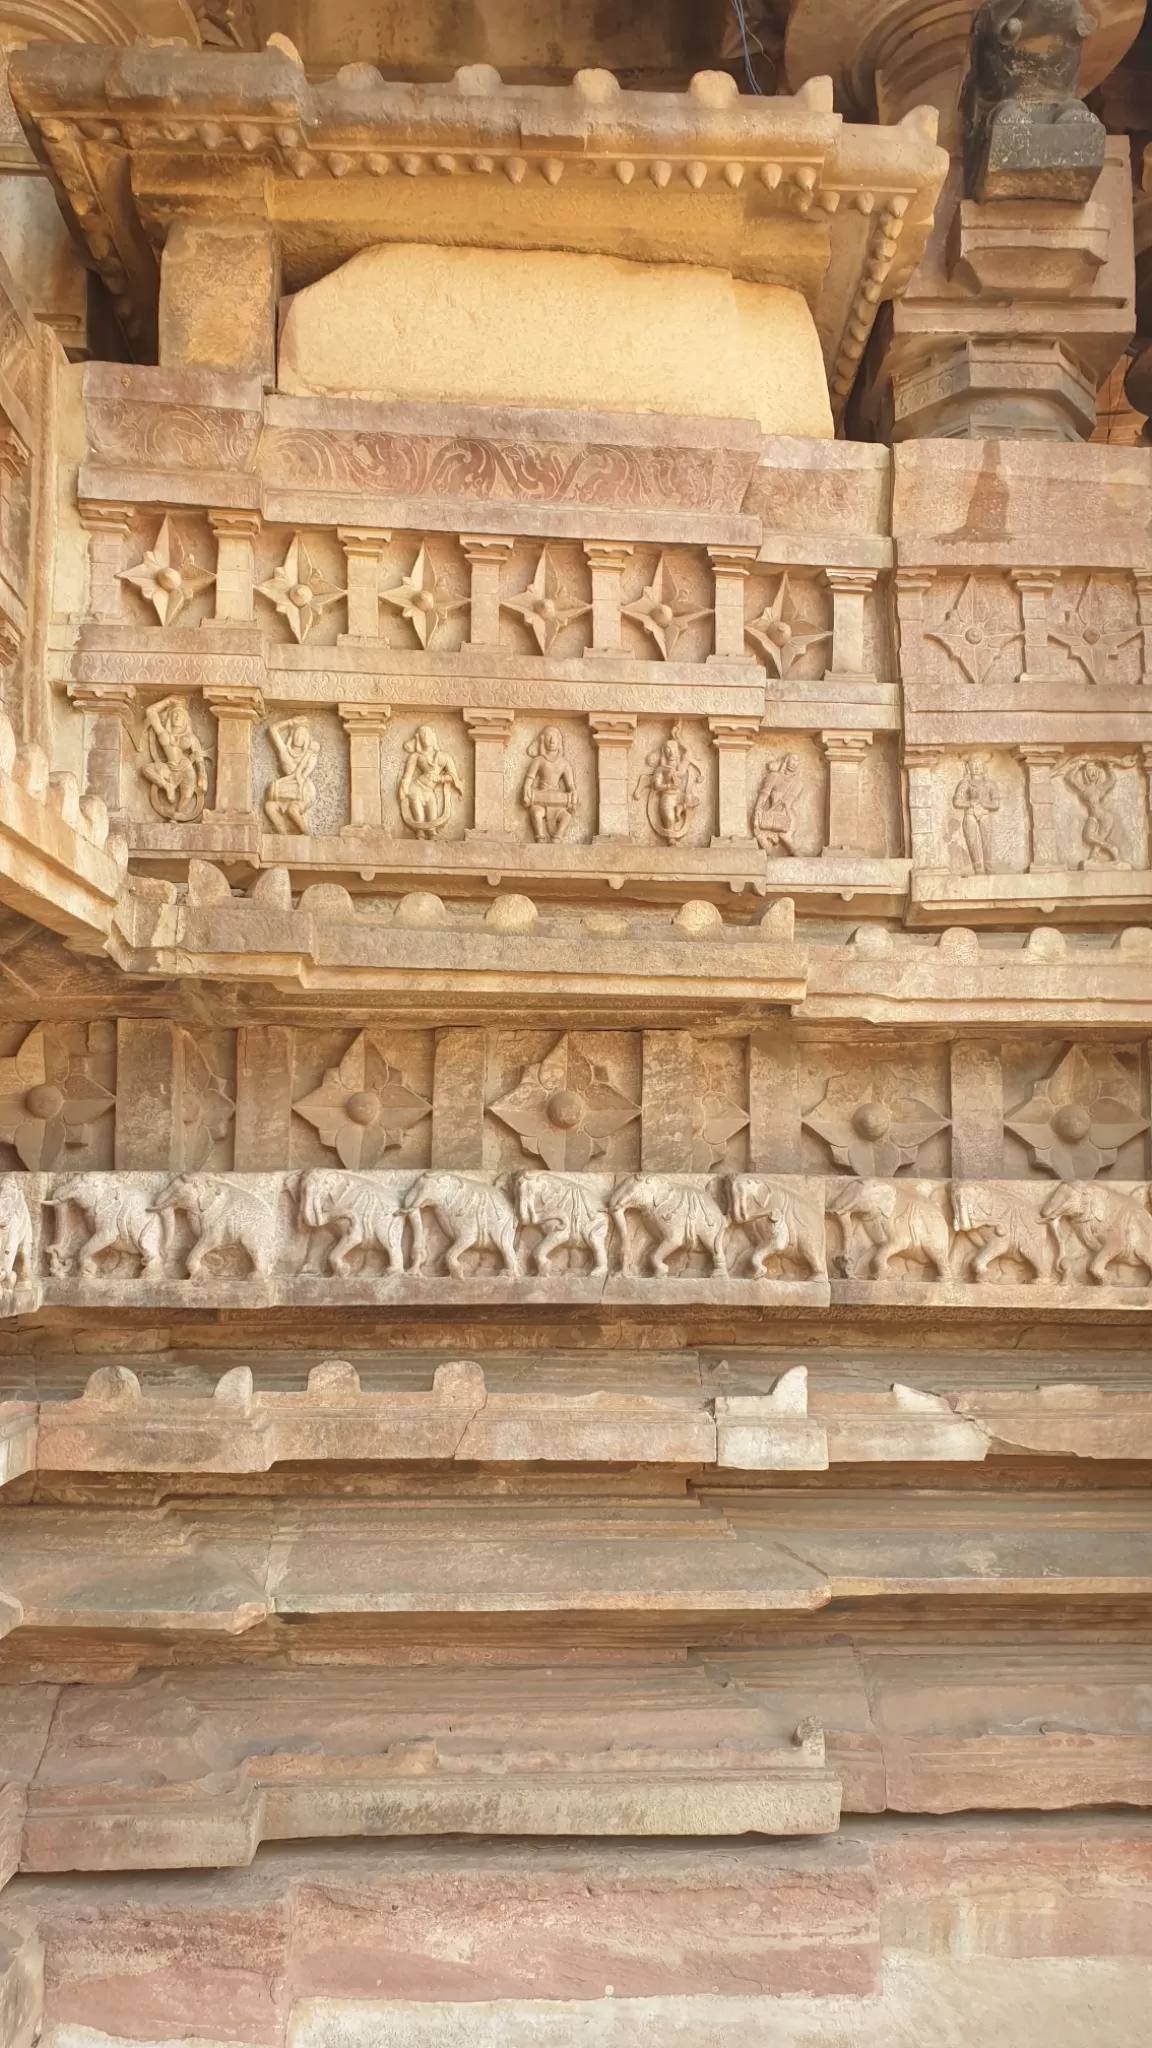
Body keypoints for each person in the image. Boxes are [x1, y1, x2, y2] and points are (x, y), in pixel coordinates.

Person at [141, 696, 208, 822]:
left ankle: (178, 813)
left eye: (181, 715)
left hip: (186, 769)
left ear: (186, 719)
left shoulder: (191, 738)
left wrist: (202, 775)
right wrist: (168, 701)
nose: (177, 717)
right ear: (170, 717)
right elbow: (150, 712)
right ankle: (167, 786)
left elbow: (198, 757)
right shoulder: (163, 733)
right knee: (146, 769)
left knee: (187, 794)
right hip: (169, 768)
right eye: (175, 714)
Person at [399, 723, 464, 838]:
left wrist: (441, 778)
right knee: (419, 819)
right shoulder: (415, 756)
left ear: (432, 736)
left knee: (433, 822)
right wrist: (404, 787)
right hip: (416, 788)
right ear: (419, 738)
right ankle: (419, 835)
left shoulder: (444, 756)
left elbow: (453, 776)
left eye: (427, 734)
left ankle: (432, 837)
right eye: (422, 735)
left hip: (430, 792)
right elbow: (407, 776)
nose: (425, 738)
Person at [264, 717, 319, 835]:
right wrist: (291, 722)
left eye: (303, 735)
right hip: (287, 788)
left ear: (307, 738)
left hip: (304, 788)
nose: (299, 737)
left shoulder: (309, 754)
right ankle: (282, 832)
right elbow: (273, 730)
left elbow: (305, 772)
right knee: (269, 806)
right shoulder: (284, 751)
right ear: (292, 734)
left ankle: (305, 833)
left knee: (292, 810)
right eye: (297, 733)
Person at [522, 727, 577, 842]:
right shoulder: (538, 761)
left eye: (554, 738)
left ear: (559, 740)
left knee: (566, 817)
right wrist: (526, 792)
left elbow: (570, 784)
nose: (552, 741)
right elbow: (529, 781)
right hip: (540, 798)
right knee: (536, 813)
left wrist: (573, 793)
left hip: (558, 800)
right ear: (543, 740)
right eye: (548, 737)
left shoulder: (564, 763)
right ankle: (540, 836)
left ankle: (557, 836)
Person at [952, 754, 1000, 874]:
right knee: (972, 840)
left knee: (987, 840)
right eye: (973, 764)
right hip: (970, 813)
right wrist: (969, 803)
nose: (976, 767)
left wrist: (984, 803)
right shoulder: (965, 783)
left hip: (984, 813)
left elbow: (996, 804)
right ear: (968, 768)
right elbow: (957, 801)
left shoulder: (989, 784)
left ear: (983, 767)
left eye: (979, 764)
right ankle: (977, 866)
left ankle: (989, 866)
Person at [752, 753, 800, 855]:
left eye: (797, 761)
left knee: (785, 837)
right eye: (793, 759)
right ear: (786, 760)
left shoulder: (798, 783)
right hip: (771, 815)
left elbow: (788, 802)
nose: (794, 763)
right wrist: (757, 810)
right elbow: (764, 795)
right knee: (757, 831)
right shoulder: (774, 776)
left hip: (786, 815)